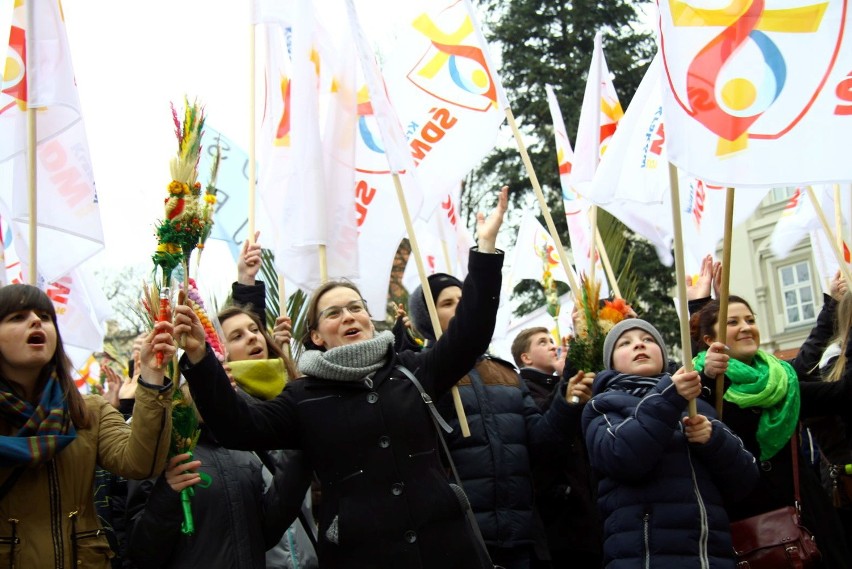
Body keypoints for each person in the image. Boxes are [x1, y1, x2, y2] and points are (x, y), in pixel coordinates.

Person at [175, 187, 509, 568]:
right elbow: (239, 426)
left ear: (369, 318)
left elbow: (471, 333)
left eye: (355, 307)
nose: (348, 316)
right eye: (333, 313)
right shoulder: (302, 397)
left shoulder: (413, 370)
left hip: (447, 549)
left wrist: (484, 250)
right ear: (316, 336)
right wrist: (201, 358)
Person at [407, 279, 583, 569]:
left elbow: (541, 444)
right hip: (459, 542)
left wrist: (566, 402)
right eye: (447, 303)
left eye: (464, 300)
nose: (460, 308)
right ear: (426, 319)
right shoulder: (418, 375)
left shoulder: (505, 374)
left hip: (520, 538)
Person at [0, 284, 174, 568]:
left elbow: (142, 463)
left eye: (45, 317)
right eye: (17, 317)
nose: (36, 321)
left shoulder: (88, 411)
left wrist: (152, 376)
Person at [582, 318, 759, 568]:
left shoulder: (698, 405)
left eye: (648, 340)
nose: (638, 346)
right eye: (625, 343)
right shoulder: (602, 406)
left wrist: (714, 439)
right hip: (647, 557)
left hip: (710, 555)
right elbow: (621, 456)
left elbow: (745, 480)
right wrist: (668, 397)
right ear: (611, 363)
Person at [693, 295, 852, 568]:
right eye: (733, 322)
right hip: (750, 530)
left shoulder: (783, 380)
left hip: (808, 521)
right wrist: (707, 378)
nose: (746, 327)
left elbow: (842, 394)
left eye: (750, 320)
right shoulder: (699, 386)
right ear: (710, 340)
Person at [510, 327, 601, 568]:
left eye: (552, 340)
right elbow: (546, 426)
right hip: (562, 521)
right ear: (525, 358)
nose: (553, 345)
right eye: (542, 342)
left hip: (585, 511)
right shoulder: (523, 389)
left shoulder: (553, 383)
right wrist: (568, 378)